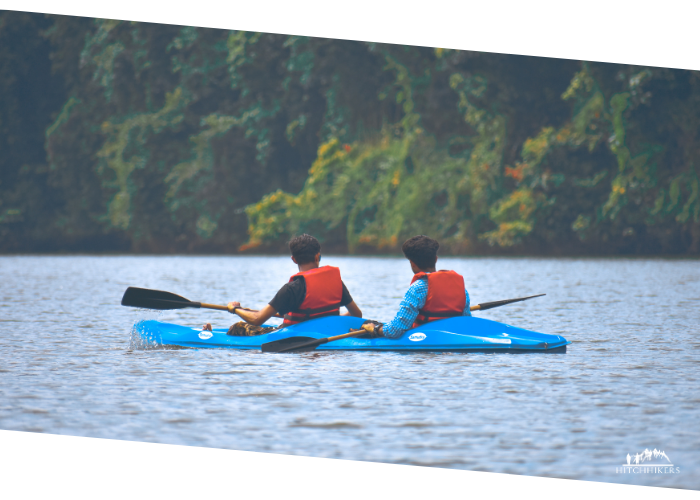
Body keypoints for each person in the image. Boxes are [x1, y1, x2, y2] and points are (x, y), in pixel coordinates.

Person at [203, 234, 362, 334]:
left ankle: (210, 335)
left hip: (292, 335)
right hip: (329, 333)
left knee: (237, 327)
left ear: (293, 259)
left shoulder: (292, 288)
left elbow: (257, 319)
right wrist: (328, 320)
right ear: (317, 257)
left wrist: (235, 309)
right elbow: (356, 315)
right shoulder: (336, 282)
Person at [362, 235, 470, 338]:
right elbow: (466, 320)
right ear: (436, 259)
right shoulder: (461, 289)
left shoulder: (418, 288)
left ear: (412, 263)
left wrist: (375, 329)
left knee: (369, 324)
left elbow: (395, 331)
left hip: (425, 340)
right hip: (454, 336)